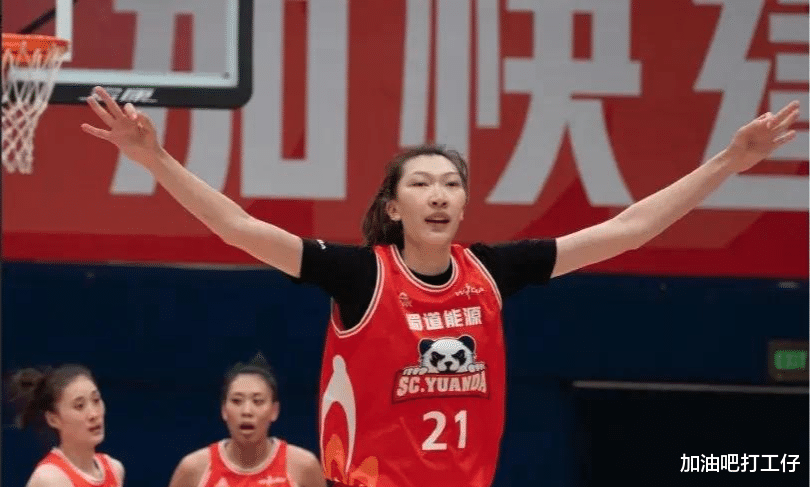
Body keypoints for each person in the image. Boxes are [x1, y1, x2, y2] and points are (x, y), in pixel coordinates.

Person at [82, 86, 800, 487]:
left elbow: (629, 229)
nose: (438, 194)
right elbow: (239, 227)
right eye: (421, 184)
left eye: (451, 184)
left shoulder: (492, 270)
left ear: (463, 202)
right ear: (393, 207)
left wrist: (728, 161)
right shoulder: (360, 273)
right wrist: (157, 159)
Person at [167, 355, 326, 487]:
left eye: (258, 401)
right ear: (224, 410)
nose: (246, 411)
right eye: (236, 401)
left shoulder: (303, 466)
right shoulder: (193, 469)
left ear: (274, 411)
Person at [7, 364, 125, 487]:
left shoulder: (115, 469)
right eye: (79, 406)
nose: (94, 414)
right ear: (53, 419)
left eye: (96, 400)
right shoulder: (49, 478)